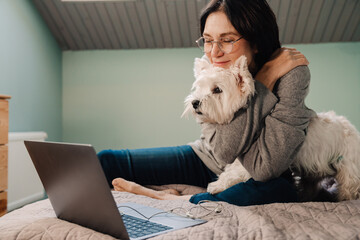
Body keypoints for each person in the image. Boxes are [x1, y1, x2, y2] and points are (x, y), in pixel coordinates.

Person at [97, 0, 316, 206]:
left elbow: (264, 168)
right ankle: (194, 197)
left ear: (256, 41)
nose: (214, 52)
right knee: (105, 161)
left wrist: (257, 87)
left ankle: (176, 200)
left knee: (279, 190)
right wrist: (264, 80)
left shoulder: (291, 74)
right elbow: (221, 151)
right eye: (208, 40)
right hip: (206, 157)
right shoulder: (211, 71)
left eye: (227, 40)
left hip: (255, 175)